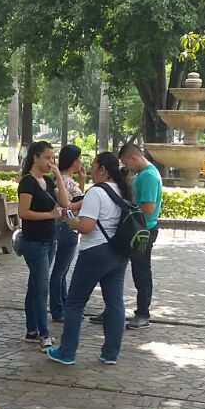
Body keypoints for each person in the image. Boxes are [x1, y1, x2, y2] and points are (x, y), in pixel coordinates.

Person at [47, 152, 134, 366]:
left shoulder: (97, 192)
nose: (90, 168)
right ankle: (110, 353)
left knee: (75, 303)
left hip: (95, 252)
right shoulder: (122, 190)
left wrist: (73, 222)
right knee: (115, 302)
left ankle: (66, 352)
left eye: (94, 165)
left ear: (102, 169)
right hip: (119, 252)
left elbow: (86, 227)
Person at [16, 141, 70, 347]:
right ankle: (44, 334)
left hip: (50, 240)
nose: (50, 162)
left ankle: (32, 329)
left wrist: (59, 178)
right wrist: (49, 215)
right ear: (36, 158)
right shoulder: (27, 182)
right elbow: (24, 212)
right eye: (47, 158)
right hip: (34, 242)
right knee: (41, 289)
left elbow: (64, 203)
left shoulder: (47, 181)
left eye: (52, 158)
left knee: (35, 285)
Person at [117, 142, 162, 329]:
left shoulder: (149, 176)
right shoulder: (142, 174)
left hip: (143, 230)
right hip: (138, 228)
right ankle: (113, 309)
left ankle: (143, 313)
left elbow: (148, 207)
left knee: (141, 272)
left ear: (134, 157)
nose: (127, 167)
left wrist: (127, 211)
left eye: (126, 163)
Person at [49, 144, 85, 323]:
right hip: (65, 226)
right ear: (73, 161)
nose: (81, 162)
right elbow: (67, 206)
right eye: (79, 158)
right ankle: (58, 308)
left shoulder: (68, 180)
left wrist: (82, 181)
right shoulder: (64, 181)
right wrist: (85, 201)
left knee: (62, 271)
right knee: (60, 271)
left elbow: (76, 199)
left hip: (68, 227)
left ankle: (63, 305)